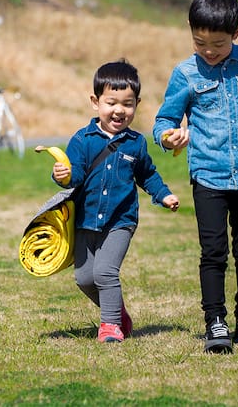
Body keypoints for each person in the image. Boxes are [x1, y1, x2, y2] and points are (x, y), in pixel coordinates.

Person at [153, 0, 238, 354]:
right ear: (191, 32)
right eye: (200, 43)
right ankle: (215, 320)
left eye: (219, 44)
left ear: (237, 33)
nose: (209, 51)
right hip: (208, 178)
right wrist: (168, 136)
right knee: (213, 253)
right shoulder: (184, 73)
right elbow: (163, 119)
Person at [52, 59, 180, 343]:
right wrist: (62, 175)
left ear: (137, 104)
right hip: (86, 219)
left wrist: (164, 195)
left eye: (128, 103)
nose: (119, 110)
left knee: (105, 272)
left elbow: (147, 175)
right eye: (112, 102)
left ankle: (110, 326)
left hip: (121, 221)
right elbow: (73, 178)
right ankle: (118, 313)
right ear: (95, 102)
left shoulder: (136, 143)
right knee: (84, 278)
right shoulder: (82, 140)